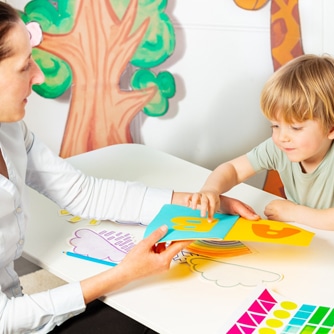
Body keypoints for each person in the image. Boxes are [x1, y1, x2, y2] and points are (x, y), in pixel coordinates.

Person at [0, 3, 257, 333]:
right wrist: (124, 273)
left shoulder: (10, 129)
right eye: (24, 68)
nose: (40, 75)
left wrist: (200, 202)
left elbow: (84, 193)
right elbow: (6, 319)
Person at [191, 54, 334, 234]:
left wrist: (294, 212)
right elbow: (233, 169)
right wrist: (211, 190)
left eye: (295, 127)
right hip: (317, 233)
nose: (282, 136)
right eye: (275, 125)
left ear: (332, 128)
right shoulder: (282, 146)